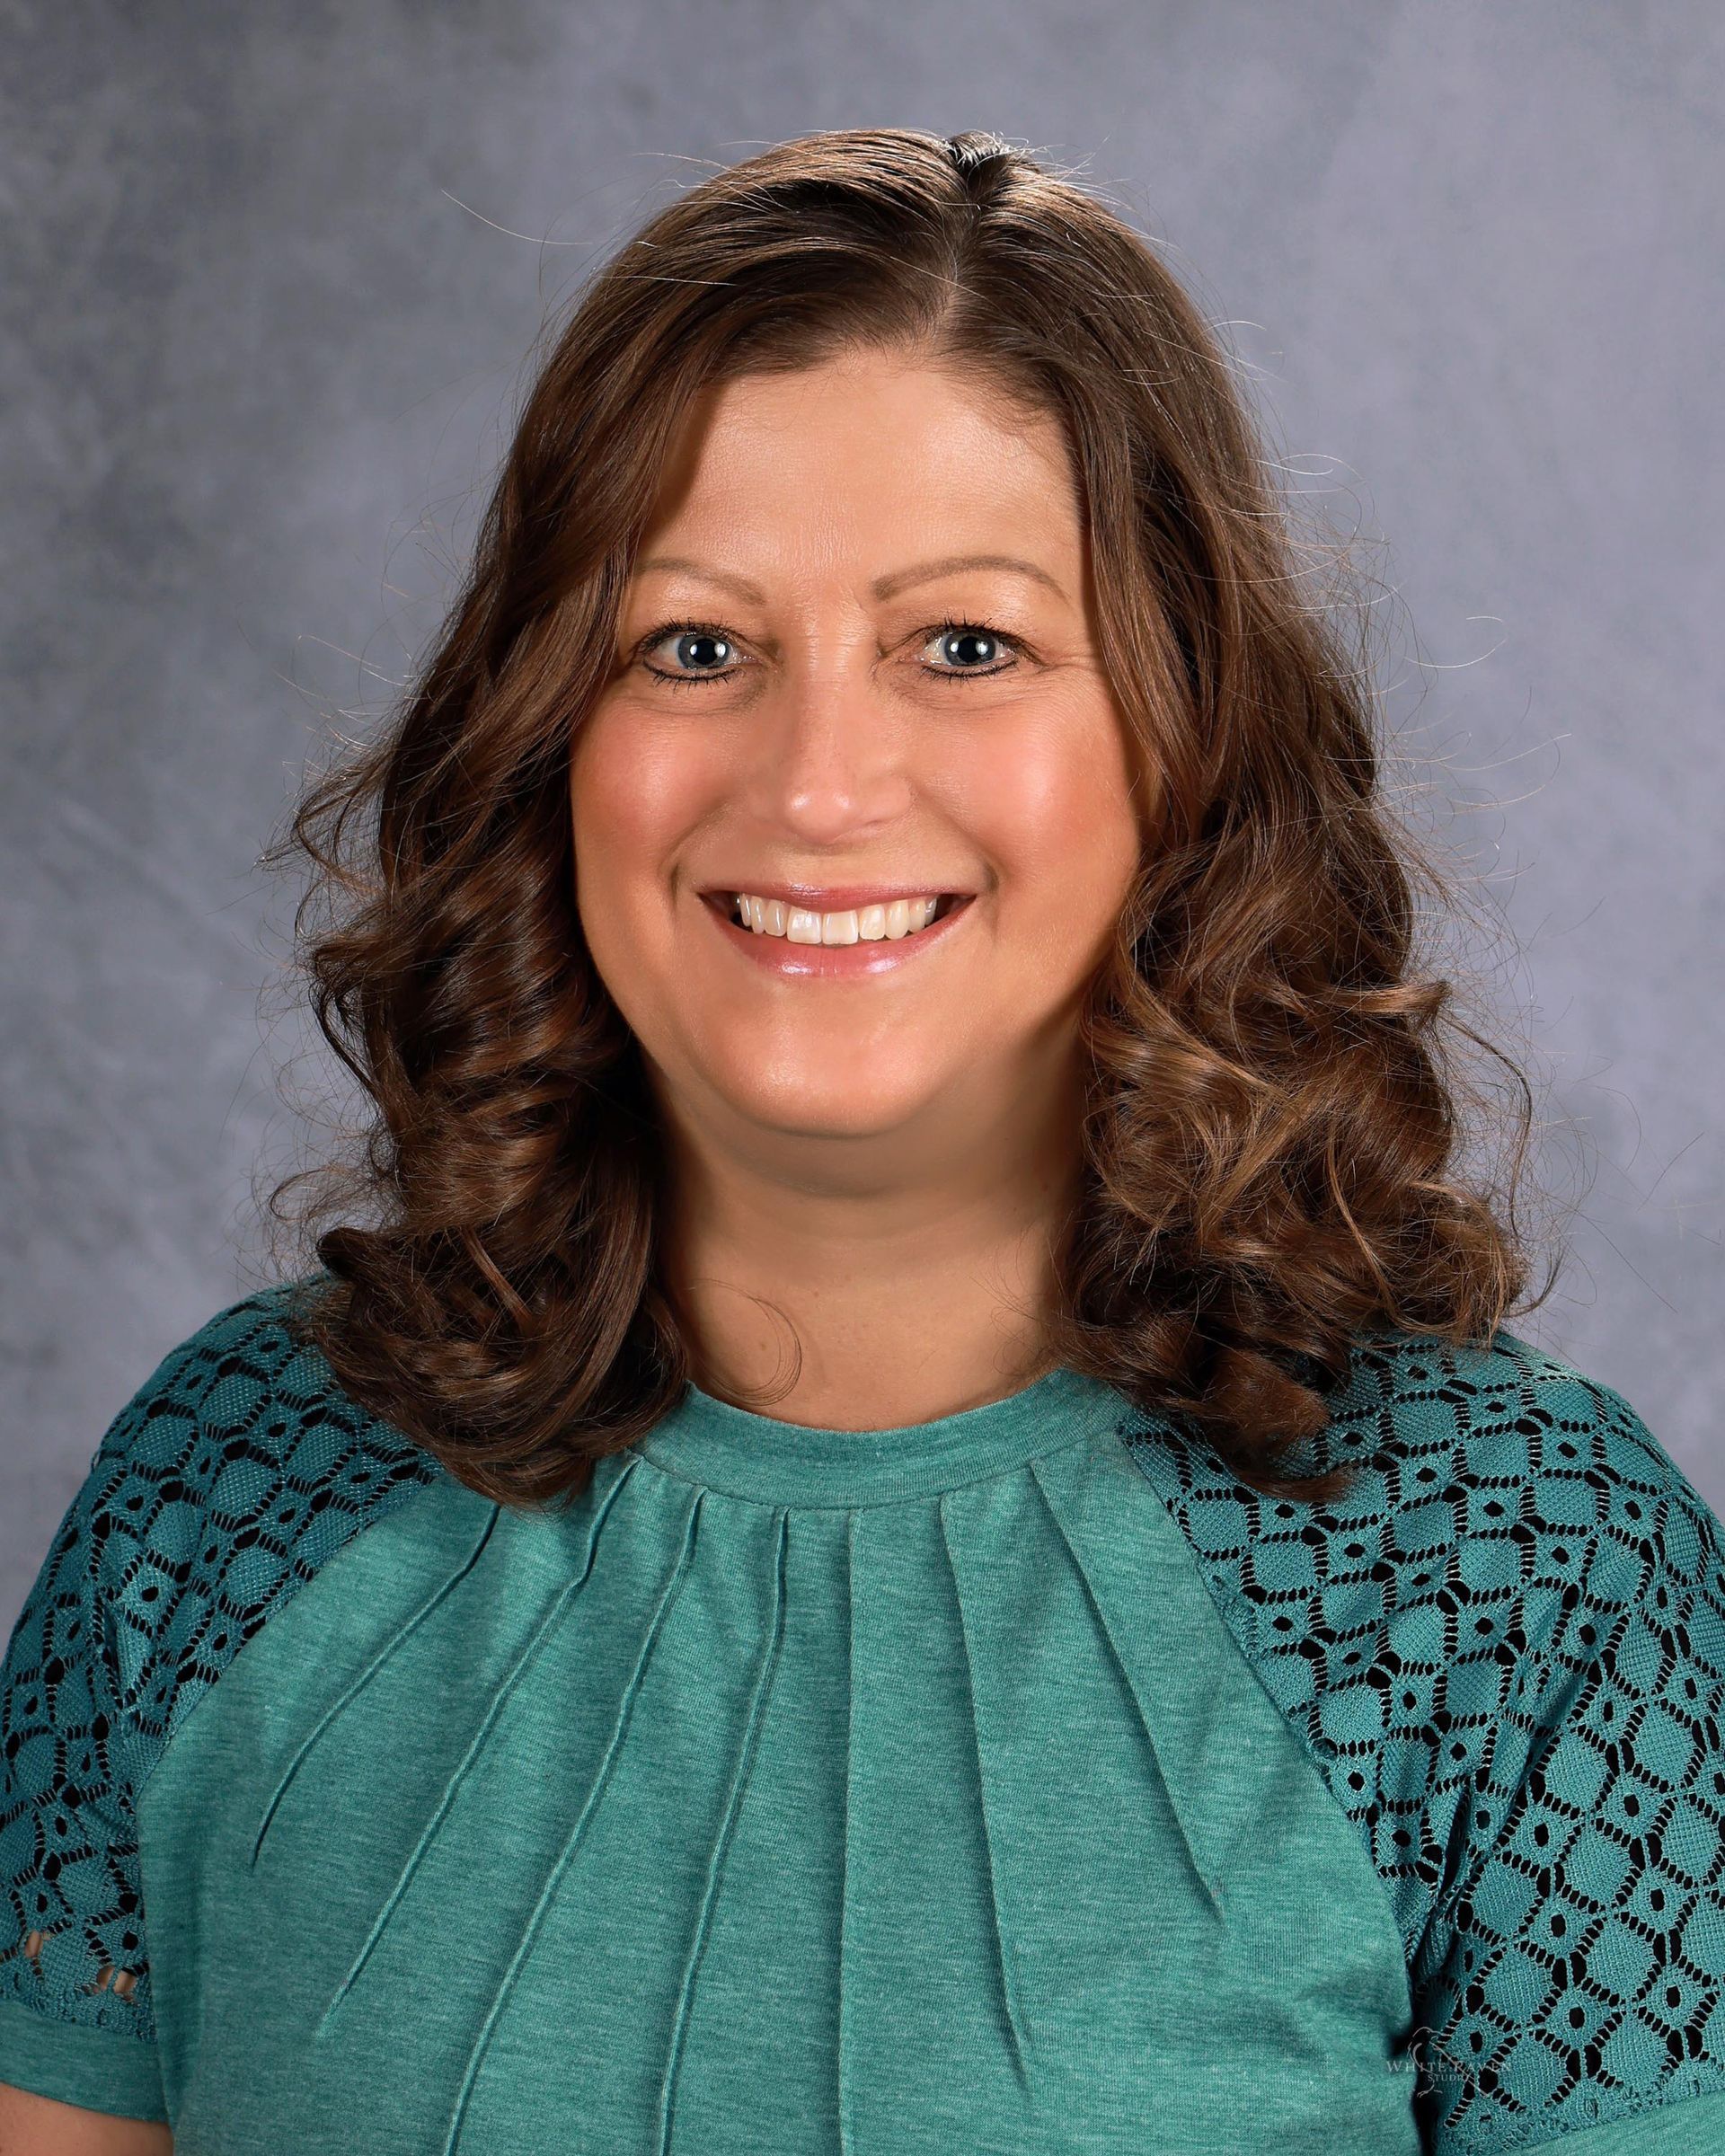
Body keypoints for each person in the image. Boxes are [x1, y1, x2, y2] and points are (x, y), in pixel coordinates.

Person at [1, 124, 1720, 2156]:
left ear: (1184, 742)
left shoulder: (1509, 1575)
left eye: (966, 648)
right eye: (695, 647)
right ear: (553, 735)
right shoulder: (230, 1494)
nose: (818, 787)